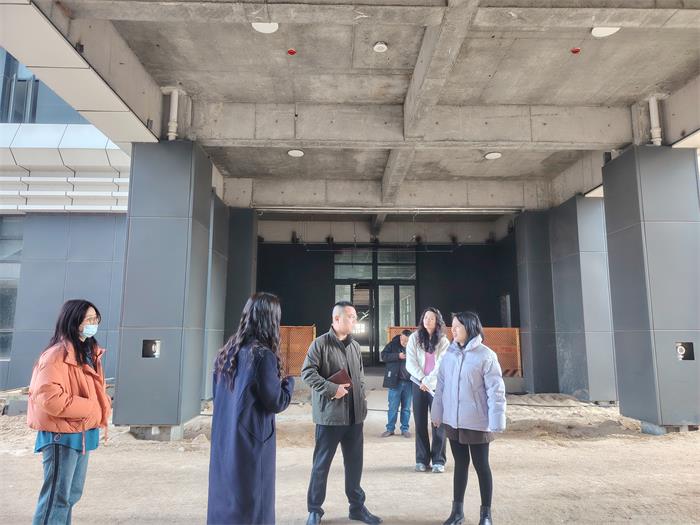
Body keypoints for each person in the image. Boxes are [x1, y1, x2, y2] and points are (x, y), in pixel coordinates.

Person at [207, 292, 294, 525]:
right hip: (252, 443)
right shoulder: (262, 356)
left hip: (225, 438)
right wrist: (289, 382)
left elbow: (217, 396)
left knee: (226, 497)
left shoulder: (227, 352)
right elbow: (276, 401)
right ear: (271, 320)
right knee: (254, 502)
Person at [27, 299, 112, 525]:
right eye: (89, 319)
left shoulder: (88, 352)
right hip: (62, 436)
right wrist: (91, 407)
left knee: (70, 496)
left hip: (82, 433)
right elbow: (48, 397)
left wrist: (100, 406)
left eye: (96, 319)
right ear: (74, 322)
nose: (94, 324)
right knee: (57, 497)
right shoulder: (56, 355)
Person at [301, 301, 382, 525]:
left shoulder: (354, 346)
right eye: (350, 317)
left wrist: (362, 399)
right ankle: (314, 510)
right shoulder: (320, 344)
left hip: (355, 418)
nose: (354, 320)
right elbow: (307, 373)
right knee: (321, 465)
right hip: (330, 418)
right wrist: (331, 389)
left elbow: (360, 377)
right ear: (336, 319)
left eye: (355, 317)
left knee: (354, 464)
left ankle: (357, 508)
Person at [432, 311, 506, 525]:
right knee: (460, 464)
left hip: (477, 421)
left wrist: (496, 421)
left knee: (481, 466)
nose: (453, 330)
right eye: (452, 326)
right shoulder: (449, 355)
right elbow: (441, 387)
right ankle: (457, 512)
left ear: (470, 328)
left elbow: (496, 391)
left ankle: (486, 514)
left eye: (458, 326)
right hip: (453, 421)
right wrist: (437, 413)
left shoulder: (486, 355)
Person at [405, 307, 450, 473]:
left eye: (431, 318)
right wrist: (422, 379)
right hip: (418, 384)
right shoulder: (414, 338)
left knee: (438, 422)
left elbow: (442, 365)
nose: (427, 321)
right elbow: (410, 362)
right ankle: (421, 459)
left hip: (437, 385)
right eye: (425, 318)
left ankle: (438, 460)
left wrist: (429, 381)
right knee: (420, 422)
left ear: (437, 320)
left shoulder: (443, 341)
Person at [380, 329, 413, 438]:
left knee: (406, 408)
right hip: (395, 382)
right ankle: (390, 429)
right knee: (393, 407)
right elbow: (383, 356)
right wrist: (397, 356)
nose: (404, 343)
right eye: (403, 340)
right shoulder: (392, 344)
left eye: (407, 341)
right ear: (400, 337)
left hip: (409, 383)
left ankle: (405, 429)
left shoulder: (413, 346)